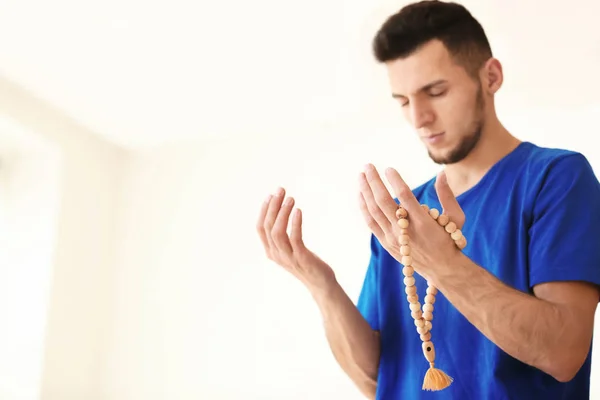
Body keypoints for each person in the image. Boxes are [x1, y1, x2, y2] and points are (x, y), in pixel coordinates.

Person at [256, 1, 600, 398]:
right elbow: (375, 379)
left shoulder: (555, 178)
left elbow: (563, 352)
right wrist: (320, 284)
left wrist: (441, 264)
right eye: (402, 100)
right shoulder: (405, 216)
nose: (418, 117)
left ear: (490, 77)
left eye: (435, 92)